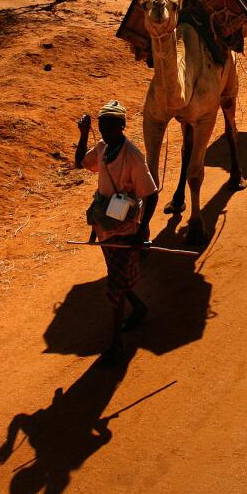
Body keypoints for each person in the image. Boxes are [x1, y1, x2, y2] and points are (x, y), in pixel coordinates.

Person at [75, 100, 159, 365]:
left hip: (125, 227)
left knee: (114, 285)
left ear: (122, 125)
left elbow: (151, 194)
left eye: (111, 125)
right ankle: (139, 308)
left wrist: (142, 230)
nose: (105, 130)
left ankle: (116, 343)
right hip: (104, 224)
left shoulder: (132, 155)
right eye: (102, 126)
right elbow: (81, 162)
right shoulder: (102, 149)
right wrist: (84, 134)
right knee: (115, 274)